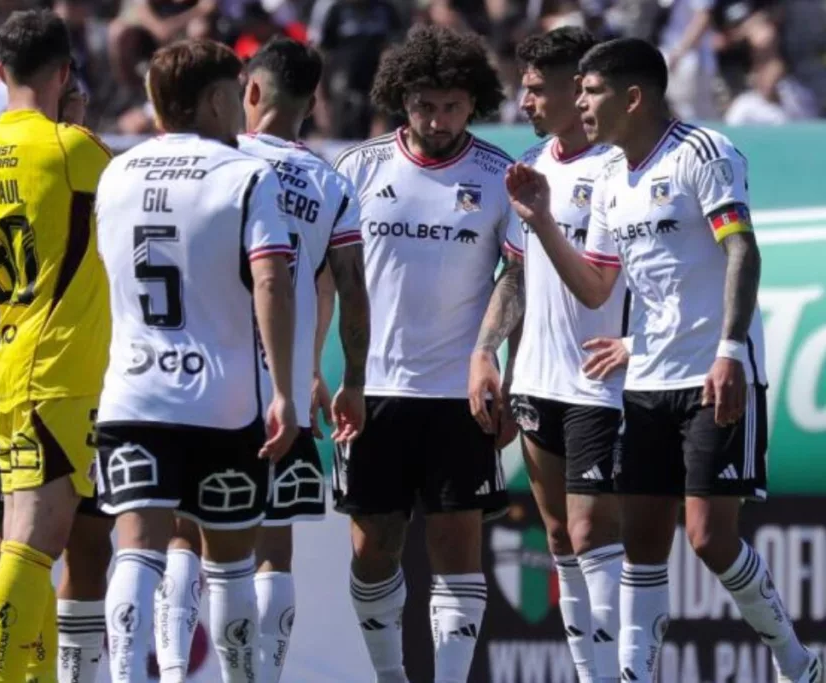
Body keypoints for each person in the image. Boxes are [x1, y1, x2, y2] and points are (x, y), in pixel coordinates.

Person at [505, 37, 822, 683]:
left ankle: (796, 662)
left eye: (591, 92)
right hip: (645, 382)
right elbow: (597, 284)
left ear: (633, 96)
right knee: (642, 549)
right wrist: (540, 221)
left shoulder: (703, 154)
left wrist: (731, 351)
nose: (581, 104)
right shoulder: (609, 181)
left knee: (709, 538)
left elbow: (742, 251)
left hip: (714, 374)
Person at [150, 37, 370, 683]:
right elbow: (340, 288)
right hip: (287, 389)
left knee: (187, 536)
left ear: (249, 92)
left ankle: (170, 670)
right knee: (274, 547)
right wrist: (320, 374)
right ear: (311, 103)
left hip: (209, 379)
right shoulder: (331, 182)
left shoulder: (217, 162)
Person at [91, 38, 298, 683]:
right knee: (229, 561)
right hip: (222, 398)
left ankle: (125, 677)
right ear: (214, 99)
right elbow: (270, 280)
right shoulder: (245, 175)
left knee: (138, 549)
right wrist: (285, 390)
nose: (242, 104)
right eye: (236, 92)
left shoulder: (117, 172)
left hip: (133, 393)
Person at [332, 24, 515, 683]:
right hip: (375, 390)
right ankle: (390, 676)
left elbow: (517, 279)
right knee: (373, 548)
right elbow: (329, 278)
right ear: (399, 98)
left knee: (456, 547)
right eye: (424, 106)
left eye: (451, 106)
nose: (437, 120)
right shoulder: (356, 168)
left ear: (475, 103)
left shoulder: (499, 175)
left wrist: (496, 363)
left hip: (459, 394)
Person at [471, 27, 628, 683]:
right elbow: (514, 274)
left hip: (601, 379)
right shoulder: (532, 163)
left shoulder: (621, 169)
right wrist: (486, 353)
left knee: (594, 536)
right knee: (559, 537)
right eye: (524, 85)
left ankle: (629, 671)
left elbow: (630, 280)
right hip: (537, 378)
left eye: (537, 88)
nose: (524, 98)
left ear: (576, 89)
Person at [0, 70, 112, 683]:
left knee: (92, 548)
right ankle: (11, 674)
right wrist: (36, 273)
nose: (78, 113)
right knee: (15, 545)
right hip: (16, 387)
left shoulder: (87, 176)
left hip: (92, 381)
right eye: (71, 101)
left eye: (84, 104)